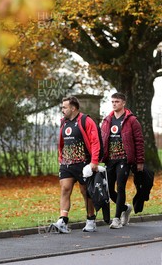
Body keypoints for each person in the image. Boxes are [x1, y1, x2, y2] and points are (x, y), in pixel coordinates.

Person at [50, 96, 101, 233]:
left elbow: (95, 142)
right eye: (62, 107)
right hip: (67, 164)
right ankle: (63, 221)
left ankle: (91, 220)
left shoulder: (86, 121)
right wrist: (61, 158)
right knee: (65, 189)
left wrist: (94, 161)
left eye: (64, 107)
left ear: (73, 108)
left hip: (83, 164)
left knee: (86, 192)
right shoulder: (63, 123)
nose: (62, 110)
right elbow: (61, 142)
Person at [100, 92, 145, 229]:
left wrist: (140, 161)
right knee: (108, 189)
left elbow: (139, 141)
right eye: (113, 101)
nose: (114, 104)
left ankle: (116, 218)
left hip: (124, 159)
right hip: (110, 160)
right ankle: (125, 207)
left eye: (117, 102)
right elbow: (102, 140)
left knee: (121, 187)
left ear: (123, 103)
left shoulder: (131, 120)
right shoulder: (107, 120)